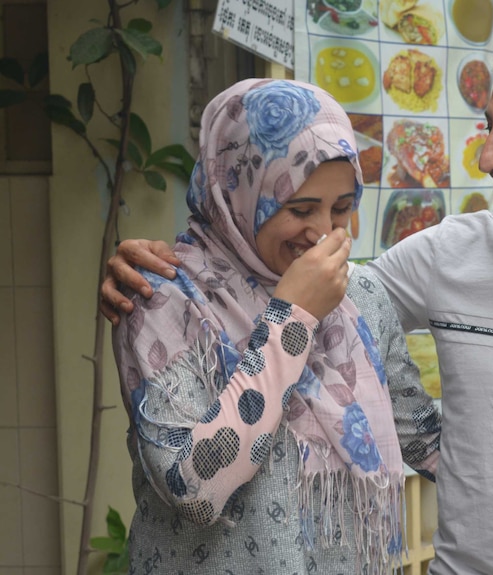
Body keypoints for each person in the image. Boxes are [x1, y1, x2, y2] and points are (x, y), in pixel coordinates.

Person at [101, 29, 493, 574]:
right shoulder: (442, 256)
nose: (488, 152)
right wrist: (239, 299)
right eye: (299, 206)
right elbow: (196, 479)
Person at [109, 78, 440, 575]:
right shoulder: (161, 302)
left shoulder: (361, 298)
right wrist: (291, 318)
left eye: (342, 208)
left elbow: (428, 443)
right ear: (236, 192)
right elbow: (195, 491)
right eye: (300, 209)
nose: (325, 232)